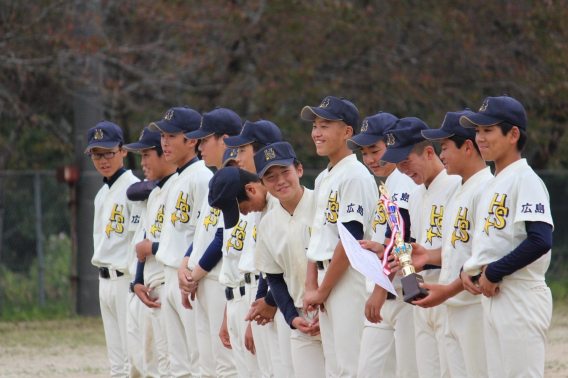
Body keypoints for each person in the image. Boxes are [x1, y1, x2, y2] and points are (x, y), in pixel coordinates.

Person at [460, 95, 553, 378]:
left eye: (488, 130)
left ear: (513, 134)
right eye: (477, 130)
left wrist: (494, 272)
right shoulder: (493, 182)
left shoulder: (525, 179)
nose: (479, 137)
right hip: (494, 295)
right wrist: (469, 270)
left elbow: (540, 239)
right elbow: (492, 241)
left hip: (520, 294)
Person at [403, 109, 493, 378]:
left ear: (467, 147)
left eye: (444, 147)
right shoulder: (462, 189)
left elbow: (484, 257)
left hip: (475, 305)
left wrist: (447, 290)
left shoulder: (486, 188)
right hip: (453, 304)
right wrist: (426, 256)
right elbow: (458, 250)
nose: (441, 155)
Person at [300, 96, 378, 377]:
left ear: (347, 132)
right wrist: (312, 284)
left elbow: (350, 240)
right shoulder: (323, 177)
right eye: (315, 126)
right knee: (334, 369)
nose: (316, 132)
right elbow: (316, 237)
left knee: (351, 368)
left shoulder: (355, 175)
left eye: (325, 125)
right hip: (327, 278)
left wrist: (321, 289)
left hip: (348, 278)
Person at [379, 117, 462, 378]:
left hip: (452, 292)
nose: (402, 169)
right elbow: (414, 249)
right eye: (398, 163)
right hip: (423, 294)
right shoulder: (415, 195)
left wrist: (425, 261)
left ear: (429, 152)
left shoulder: (457, 186)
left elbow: (462, 250)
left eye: (406, 161)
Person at [346, 112, 419, 378]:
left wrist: (380, 289)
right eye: (364, 152)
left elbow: (399, 236)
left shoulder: (402, 180)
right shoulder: (387, 184)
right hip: (387, 294)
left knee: (409, 371)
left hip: (402, 293)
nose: (369, 159)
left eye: (375, 150)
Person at [253, 142, 327, 378]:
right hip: (300, 315)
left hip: (335, 304)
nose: (280, 181)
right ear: (263, 184)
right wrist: (292, 318)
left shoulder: (322, 203)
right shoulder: (267, 223)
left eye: (285, 172)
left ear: (300, 170)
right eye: (271, 177)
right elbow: (274, 278)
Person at [148, 106, 209, 378]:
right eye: (162, 135)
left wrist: (188, 271)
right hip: (168, 273)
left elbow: (201, 235)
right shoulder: (176, 179)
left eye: (172, 135)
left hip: (188, 278)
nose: (164, 142)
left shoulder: (202, 177)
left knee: (197, 359)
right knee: (177, 364)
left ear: (192, 140)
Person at [181, 107, 243, 378]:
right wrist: (186, 263)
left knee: (226, 366)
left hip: (219, 281)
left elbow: (222, 238)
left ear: (225, 139)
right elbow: (202, 233)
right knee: (206, 367)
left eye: (205, 140)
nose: (199, 145)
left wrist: (193, 274)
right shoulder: (215, 178)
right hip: (203, 281)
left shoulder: (235, 179)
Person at [86, 120, 140, 378]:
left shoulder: (134, 188)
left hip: (125, 279)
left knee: (134, 359)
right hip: (104, 280)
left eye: (109, 152)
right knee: (116, 362)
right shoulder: (101, 193)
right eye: (97, 154)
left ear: (123, 150)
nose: (103, 159)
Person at [125, 126, 178, 377]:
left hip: (168, 284)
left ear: (163, 154)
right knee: (149, 366)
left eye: (147, 155)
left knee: (170, 365)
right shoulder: (155, 191)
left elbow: (182, 241)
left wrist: (152, 248)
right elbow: (144, 243)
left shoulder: (176, 189)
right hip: (149, 287)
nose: (142, 162)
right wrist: (137, 280)